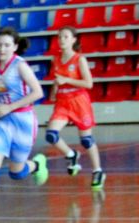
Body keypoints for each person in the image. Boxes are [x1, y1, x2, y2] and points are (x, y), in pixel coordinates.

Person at [0, 27, 49, 223]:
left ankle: (37, 164)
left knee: (17, 173)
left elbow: (38, 92)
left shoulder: (20, 66)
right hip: (3, 122)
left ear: (14, 47)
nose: (2, 49)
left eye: (6, 45)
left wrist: (10, 107)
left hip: (24, 121)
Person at [46, 26, 105, 190]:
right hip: (62, 101)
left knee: (86, 140)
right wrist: (54, 90)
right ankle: (71, 154)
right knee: (51, 134)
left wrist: (67, 80)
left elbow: (89, 83)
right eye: (60, 37)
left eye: (65, 37)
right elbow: (57, 80)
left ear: (73, 40)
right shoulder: (55, 60)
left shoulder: (79, 59)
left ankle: (97, 171)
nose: (62, 40)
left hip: (79, 101)